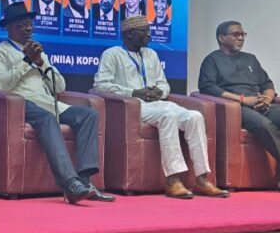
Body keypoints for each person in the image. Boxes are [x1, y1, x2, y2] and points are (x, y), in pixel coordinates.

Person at [0, 3, 115, 204]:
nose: (28, 29)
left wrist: (41, 63)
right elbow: (0, 84)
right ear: (9, 28)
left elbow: (60, 86)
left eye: (30, 24)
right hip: (21, 103)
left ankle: (84, 182)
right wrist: (26, 61)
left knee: (88, 115)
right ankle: (70, 183)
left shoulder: (39, 52)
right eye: (22, 25)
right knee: (47, 118)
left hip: (48, 102)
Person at [93, 16, 229, 199]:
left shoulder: (151, 55)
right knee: (168, 115)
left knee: (195, 116)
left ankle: (202, 179)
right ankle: (173, 181)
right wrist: (134, 92)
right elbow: (101, 85)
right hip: (134, 106)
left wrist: (160, 92)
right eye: (144, 31)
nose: (149, 35)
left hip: (158, 103)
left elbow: (164, 84)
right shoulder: (112, 54)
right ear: (129, 34)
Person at [198, 21, 280, 195]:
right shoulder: (212, 60)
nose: (241, 38)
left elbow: (267, 84)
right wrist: (243, 100)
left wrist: (267, 98)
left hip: (260, 103)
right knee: (265, 125)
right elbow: (208, 87)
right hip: (237, 108)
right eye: (236, 34)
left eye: (243, 34)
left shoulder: (250, 59)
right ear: (221, 38)